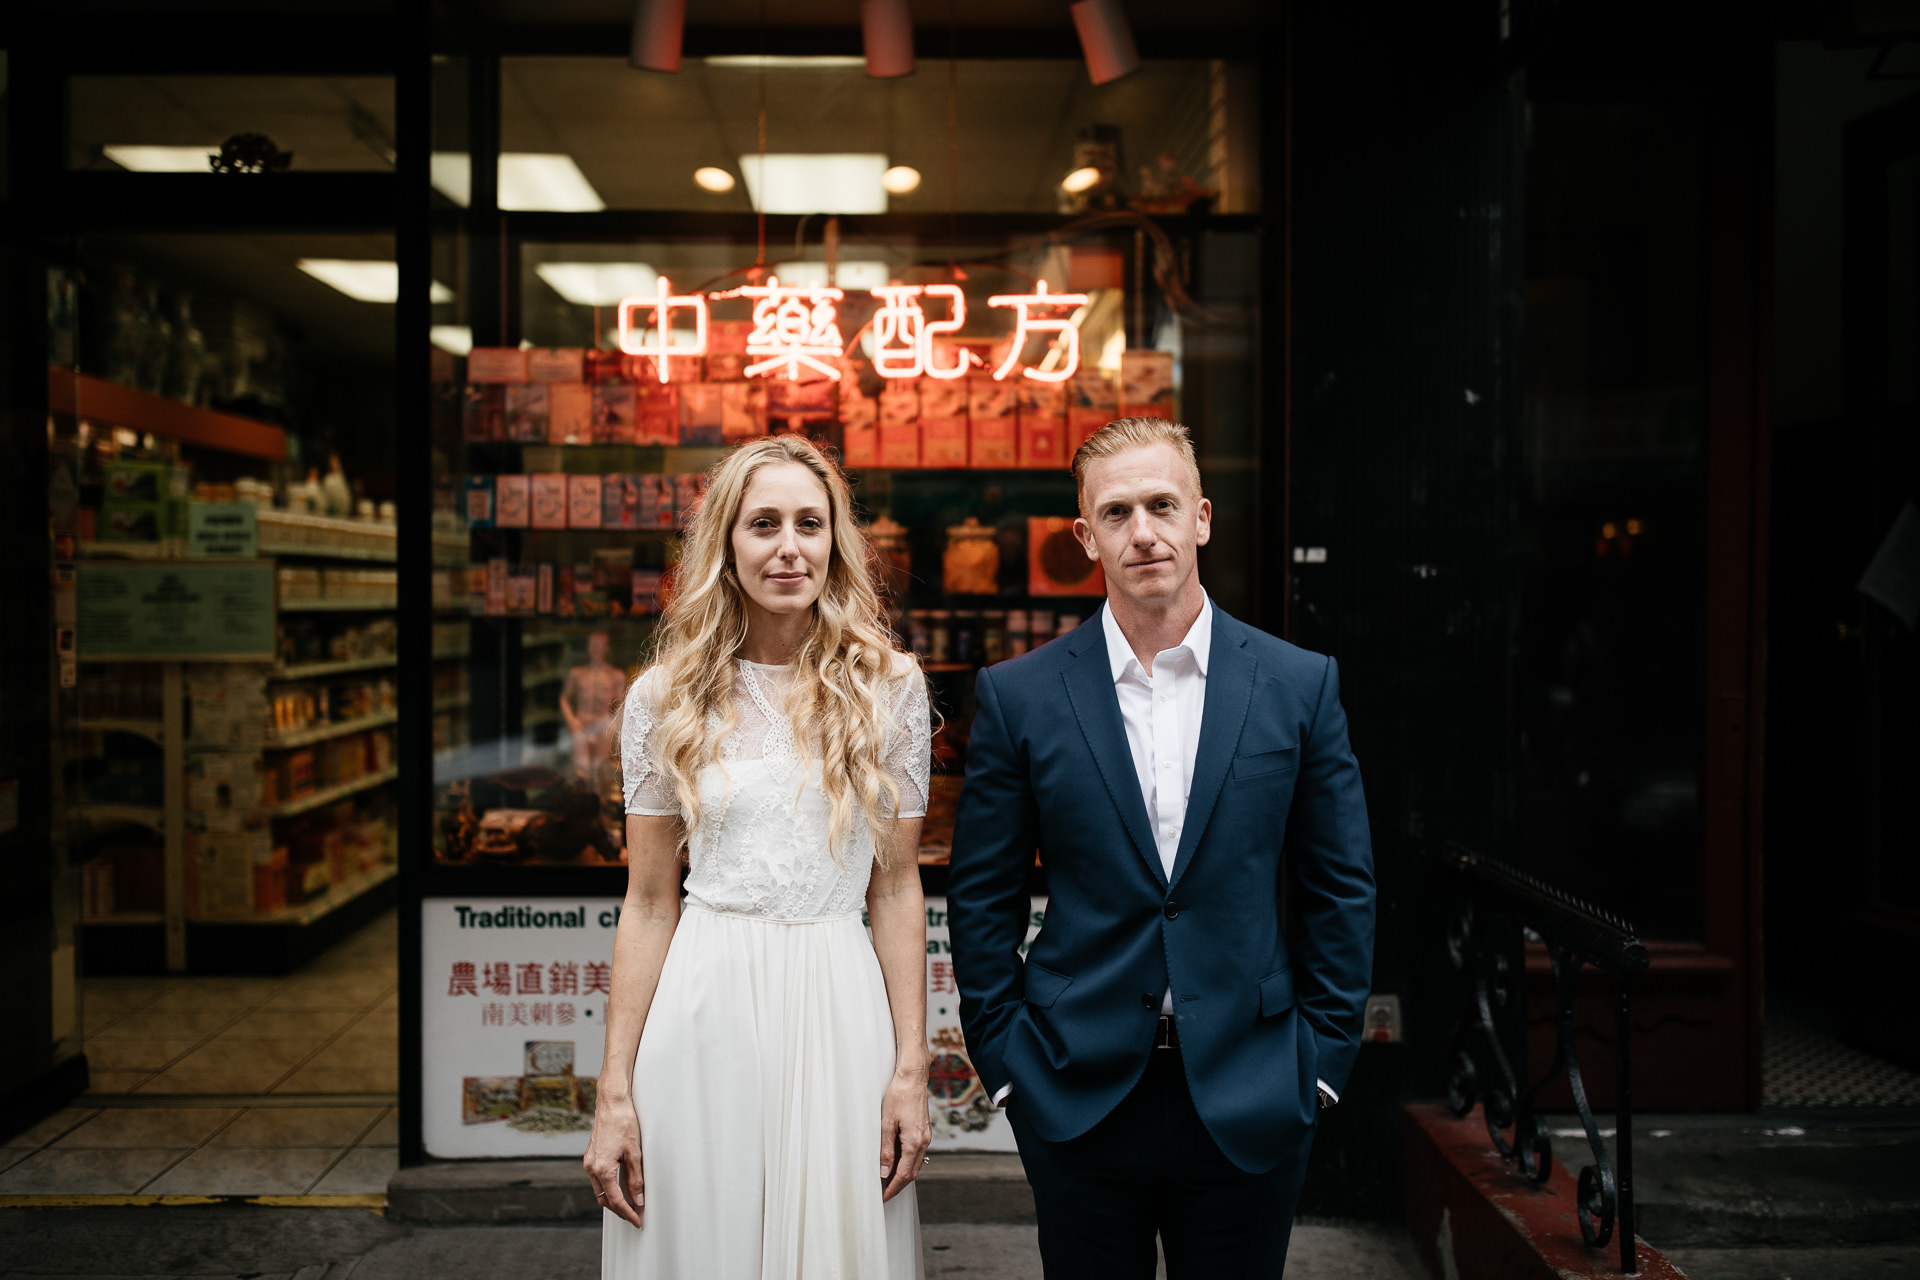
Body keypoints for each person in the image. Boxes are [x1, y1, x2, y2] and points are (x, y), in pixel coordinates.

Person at [946, 417, 1376, 1278]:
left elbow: (1341, 887)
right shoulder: (1019, 697)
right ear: (1086, 538)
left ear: (1201, 519)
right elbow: (982, 895)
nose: (1142, 532)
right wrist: (1006, 1065)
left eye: (1162, 506)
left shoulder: (1298, 684)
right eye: (1117, 513)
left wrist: (1321, 1064)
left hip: (1254, 1087)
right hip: (1076, 1090)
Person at [586, 435, 933, 1280]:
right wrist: (614, 1090)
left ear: (835, 542)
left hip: (839, 1005)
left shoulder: (891, 686)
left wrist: (911, 1069)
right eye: (763, 524)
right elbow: (650, 901)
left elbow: (894, 890)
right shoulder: (662, 698)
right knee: (701, 1243)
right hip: (703, 1007)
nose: (789, 547)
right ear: (725, 546)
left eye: (809, 524)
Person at [559, 629, 626, 792]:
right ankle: (583, 805)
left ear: (606, 648)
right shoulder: (577, 674)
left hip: (602, 725)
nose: (596, 649)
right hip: (581, 724)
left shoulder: (615, 675)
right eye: (593, 645)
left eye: (600, 645)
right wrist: (572, 721)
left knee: (600, 769)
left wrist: (617, 729)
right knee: (581, 769)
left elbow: (621, 705)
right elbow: (564, 699)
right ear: (588, 647)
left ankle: (600, 807)